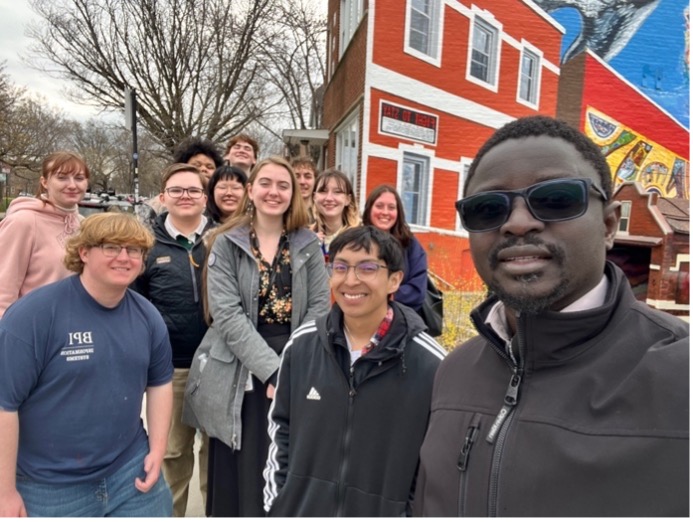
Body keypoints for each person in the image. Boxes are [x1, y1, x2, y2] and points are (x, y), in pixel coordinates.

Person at [413, 116, 690, 517]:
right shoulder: (453, 371)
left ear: (610, 224)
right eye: (488, 208)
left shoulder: (681, 377)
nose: (518, 222)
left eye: (557, 198)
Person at [182, 156, 330, 517]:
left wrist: (291, 369)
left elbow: (319, 309)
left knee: (282, 461)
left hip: (296, 357)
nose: (274, 192)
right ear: (251, 190)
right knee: (241, 467)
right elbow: (227, 315)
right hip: (239, 365)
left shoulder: (308, 244)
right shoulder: (225, 243)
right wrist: (272, 371)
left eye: (283, 185)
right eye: (266, 183)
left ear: (293, 193)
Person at [263, 226, 446, 517]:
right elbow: (280, 428)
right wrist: (278, 505)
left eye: (367, 268)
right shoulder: (302, 346)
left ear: (394, 280)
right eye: (340, 267)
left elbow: (436, 462)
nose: (351, 280)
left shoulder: (430, 364)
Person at [0, 213, 174, 517]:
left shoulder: (148, 317)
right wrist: (4, 492)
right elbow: (4, 405)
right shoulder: (34, 316)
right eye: (111, 247)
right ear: (83, 252)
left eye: (133, 250)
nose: (124, 258)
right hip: (48, 486)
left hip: (130, 473)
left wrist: (158, 449)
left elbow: (160, 383)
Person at [131, 163, 212, 517]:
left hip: (218, 369)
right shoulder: (146, 244)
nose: (185, 196)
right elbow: (134, 306)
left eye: (193, 190)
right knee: (173, 455)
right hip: (171, 369)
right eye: (176, 190)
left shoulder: (224, 240)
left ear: (204, 198)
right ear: (163, 197)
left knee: (217, 454)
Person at [0, 151, 89, 317]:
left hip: (72, 331)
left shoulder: (83, 224)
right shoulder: (23, 222)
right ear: (45, 182)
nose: (72, 185)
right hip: (30, 330)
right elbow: (3, 290)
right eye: (62, 177)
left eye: (79, 178)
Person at [362, 185, 427, 311]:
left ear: (398, 212)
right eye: (379, 206)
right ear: (369, 209)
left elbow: (417, 291)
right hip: (362, 316)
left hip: (402, 318)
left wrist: (381, 297)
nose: (385, 212)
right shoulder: (357, 242)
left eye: (391, 207)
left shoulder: (410, 244)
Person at [312, 168, 360, 261]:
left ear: (347, 199)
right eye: (323, 191)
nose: (329, 198)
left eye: (337, 192)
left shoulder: (359, 239)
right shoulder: (305, 237)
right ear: (314, 197)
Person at [290, 156, 317, 224]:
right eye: (297, 176)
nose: (302, 182)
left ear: (315, 180)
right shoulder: (283, 213)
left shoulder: (323, 212)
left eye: (308, 177)